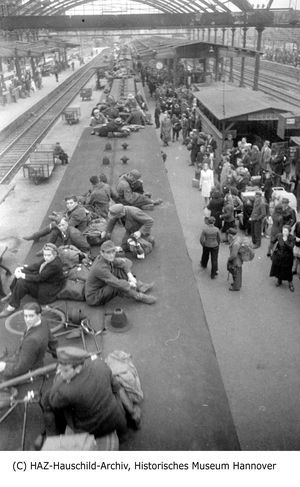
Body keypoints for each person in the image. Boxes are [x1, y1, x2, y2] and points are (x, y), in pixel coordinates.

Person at [41, 346, 128, 439]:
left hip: (92, 429)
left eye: (65, 370)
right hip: (115, 418)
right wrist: (133, 412)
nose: (61, 372)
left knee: (47, 401)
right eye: (60, 367)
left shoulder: (66, 391)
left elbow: (53, 401)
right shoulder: (100, 364)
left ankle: (53, 436)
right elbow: (116, 387)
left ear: (78, 368)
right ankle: (123, 434)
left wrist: (59, 379)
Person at [0, 243, 65, 318]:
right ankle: (13, 293)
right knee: (21, 273)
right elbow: (37, 266)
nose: (46, 257)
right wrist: (23, 269)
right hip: (45, 281)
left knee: (22, 282)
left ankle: (12, 306)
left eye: (48, 255)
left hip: (48, 289)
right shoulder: (50, 259)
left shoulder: (55, 265)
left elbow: (40, 278)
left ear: (55, 254)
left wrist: (23, 275)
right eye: (44, 255)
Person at [85, 240, 156, 306]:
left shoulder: (105, 258)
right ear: (102, 253)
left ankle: (139, 286)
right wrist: (129, 283)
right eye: (108, 252)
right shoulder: (100, 268)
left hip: (102, 284)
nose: (112, 255)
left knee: (120, 269)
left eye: (113, 251)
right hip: (94, 297)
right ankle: (139, 296)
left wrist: (130, 275)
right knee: (117, 285)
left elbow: (124, 263)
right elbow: (116, 282)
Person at [0, 302, 57, 379]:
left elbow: (22, 367)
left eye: (31, 316)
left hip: (29, 368)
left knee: (2, 373)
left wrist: (5, 367)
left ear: (39, 315)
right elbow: (52, 340)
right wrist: (58, 354)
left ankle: (9, 387)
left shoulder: (31, 341)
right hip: (30, 358)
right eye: (25, 316)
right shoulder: (43, 321)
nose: (27, 319)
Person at [23, 195, 88, 242]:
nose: (69, 205)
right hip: (74, 228)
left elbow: (68, 226)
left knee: (54, 228)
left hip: (76, 235)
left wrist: (56, 223)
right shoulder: (76, 208)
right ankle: (39, 240)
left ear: (76, 203)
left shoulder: (78, 212)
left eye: (71, 203)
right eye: (67, 203)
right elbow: (66, 216)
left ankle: (36, 237)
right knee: (54, 229)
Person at [270, 225, 295, 292]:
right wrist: (271, 249)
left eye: (286, 231)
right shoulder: (279, 235)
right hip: (279, 256)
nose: (284, 232)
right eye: (283, 230)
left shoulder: (292, 238)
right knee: (279, 268)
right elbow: (273, 241)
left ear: (289, 232)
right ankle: (279, 280)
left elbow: (291, 247)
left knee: (288, 271)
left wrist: (285, 240)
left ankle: (290, 283)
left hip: (288, 257)